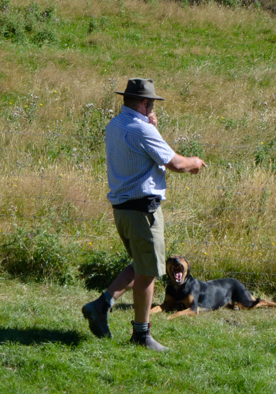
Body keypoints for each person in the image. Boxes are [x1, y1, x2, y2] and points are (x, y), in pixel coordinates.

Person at [82, 78, 206, 351]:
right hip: (143, 211)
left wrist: (152, 129)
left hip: (123, 210)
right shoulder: (142, 130)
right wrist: (195, 162)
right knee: (148, 271)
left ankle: (101, 305)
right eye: (152, 102)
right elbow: (175, 163)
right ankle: (141, 334)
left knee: (142, 263)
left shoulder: (115, 125)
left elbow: (140, 153)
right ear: (146, 103)